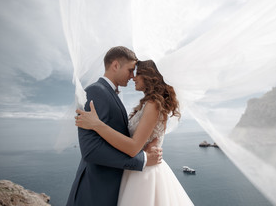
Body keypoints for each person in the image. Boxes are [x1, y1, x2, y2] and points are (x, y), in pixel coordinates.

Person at [75, 60, 194, 205]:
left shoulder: (154, 104)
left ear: (150, 76)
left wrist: (97, 124)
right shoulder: (147, 104)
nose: (133, 77)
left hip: (145, 175)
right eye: (132, 72)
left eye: (137, 73)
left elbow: (133, 148)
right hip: (137, 170)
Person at [66, 47, 163, 206]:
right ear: (116, 65)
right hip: (94, 192)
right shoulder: (96, 92)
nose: (132, 76)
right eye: (130, 70)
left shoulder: (109, 94)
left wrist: (142, 150)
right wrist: (142, 159)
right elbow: (90, 150)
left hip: (111, 190)